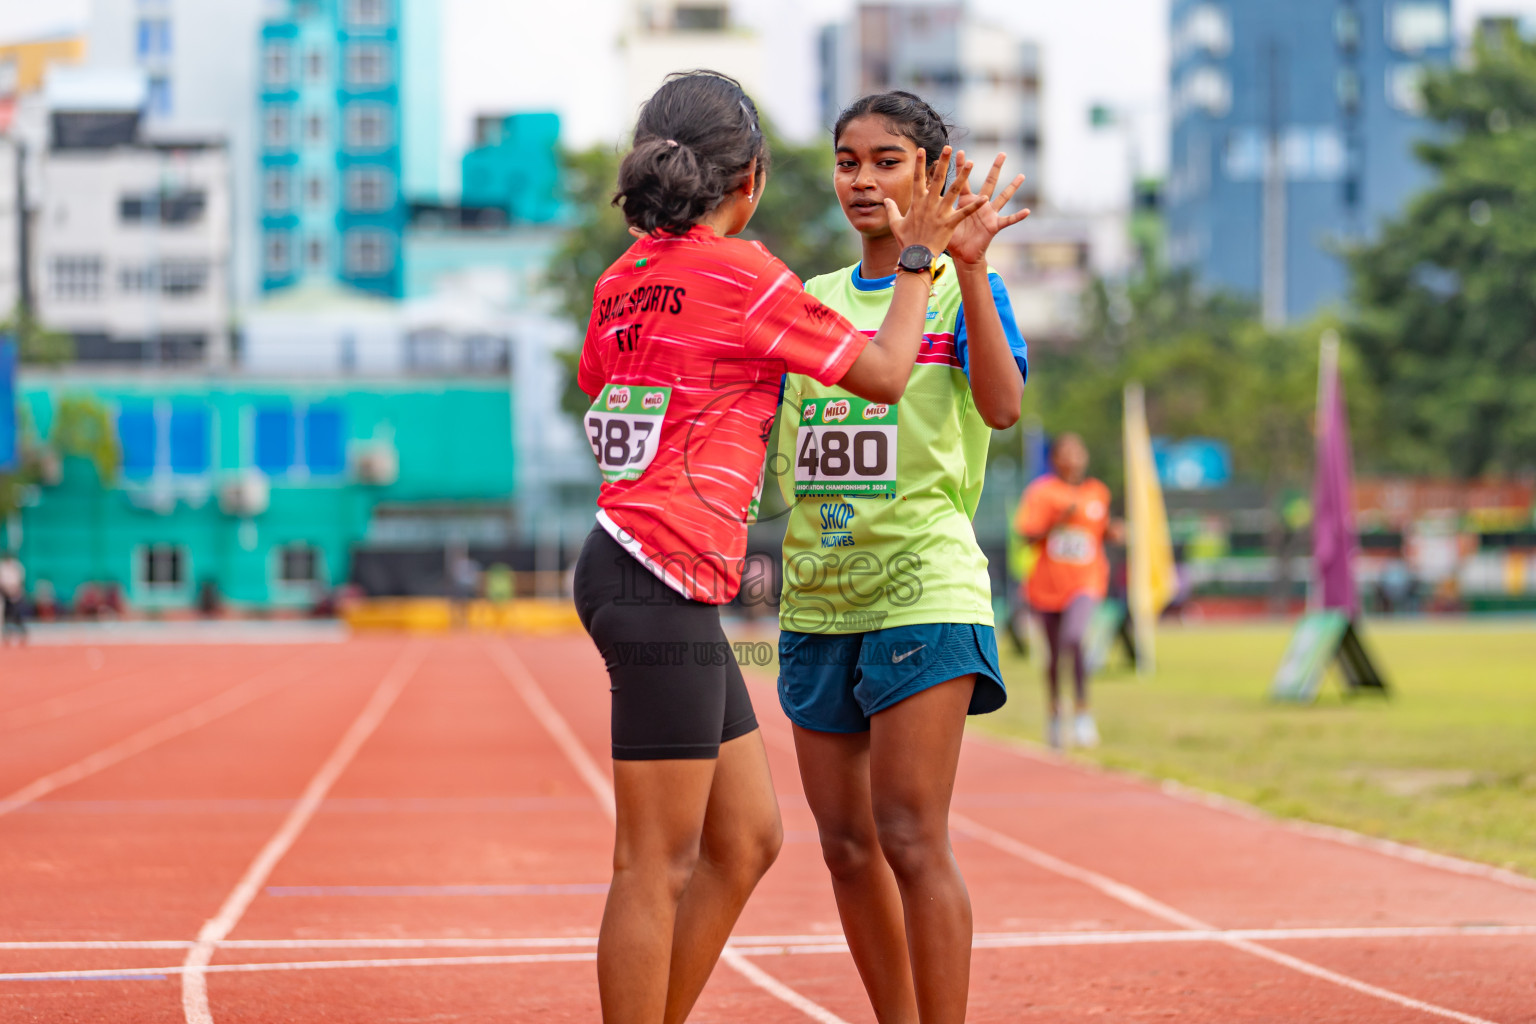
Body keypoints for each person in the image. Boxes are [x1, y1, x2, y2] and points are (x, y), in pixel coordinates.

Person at [571, 72, 984, 1024]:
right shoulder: (746, 275)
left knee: (748, 836)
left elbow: (604, 382)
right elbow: (883, 374)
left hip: (636, 563)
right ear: (751, 178)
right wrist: (919, 259)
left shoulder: (621, 279)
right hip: (655, 569)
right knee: (652, 862)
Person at [774, 91, 1031, 1024]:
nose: (863, 179)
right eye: (848, 161)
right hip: (817, 598)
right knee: (845, 845)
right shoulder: (810, 303)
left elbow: (1001, 409)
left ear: (931, 171)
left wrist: (965, 263)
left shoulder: (968, 287)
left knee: (911, 835)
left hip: (925, 587)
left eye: (887, 160)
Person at [1016, 433, 1121, 748]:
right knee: (1052, 656)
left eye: (1079, 451)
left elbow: (1098, 531)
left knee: (1073, 638)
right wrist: (1056, 521)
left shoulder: (1097, 493)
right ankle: (1054, 712)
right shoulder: (1042, 493)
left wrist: (1115, 531)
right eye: (1066, 452)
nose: (1073, 458)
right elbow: (1027, 536)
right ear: (1055, 459)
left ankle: (1083, 712)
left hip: (1086, 582)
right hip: (1047, 586)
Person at [0, 551, 27, 646]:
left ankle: (22, 635)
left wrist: (15, 591)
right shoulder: (2, 567)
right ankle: (7, 636)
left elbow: (21, 581)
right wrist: (7, 591)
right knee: (7, 617)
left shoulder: (17, 566)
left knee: (18, 617)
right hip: (6, 595)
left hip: (17, 595)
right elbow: (2, 582)